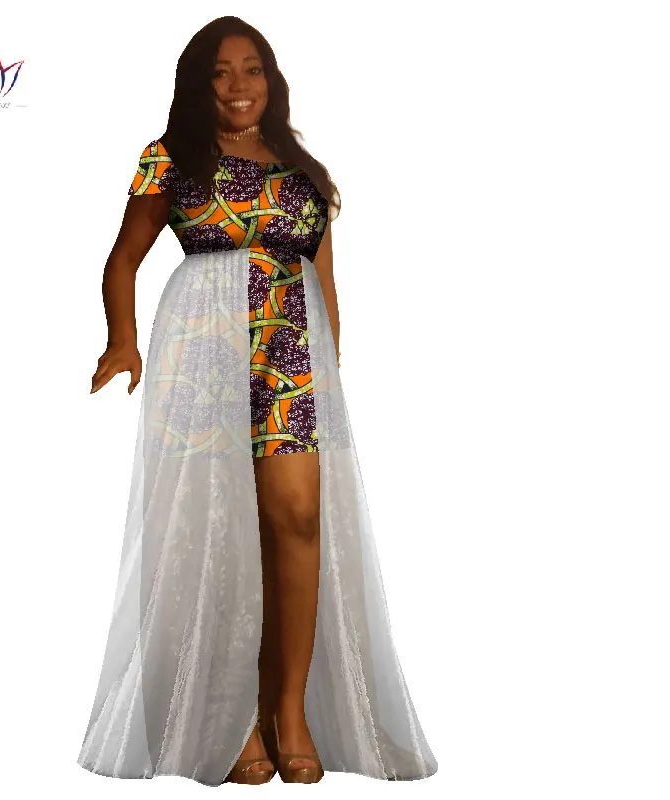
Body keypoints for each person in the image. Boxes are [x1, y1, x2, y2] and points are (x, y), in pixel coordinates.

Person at [77, 15, 438, 787]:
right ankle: (232, 720)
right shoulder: (167, 157)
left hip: (290, 357)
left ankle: (289, 711)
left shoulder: (302, 169)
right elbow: (122, 260)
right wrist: (121, 340)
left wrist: (330, 374)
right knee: (219, 525)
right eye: (220, 72)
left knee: (297, 519)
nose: (238, 85)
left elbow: (325, 281)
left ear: (271, 80)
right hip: (204, 356)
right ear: (197, 85)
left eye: (252, 70)